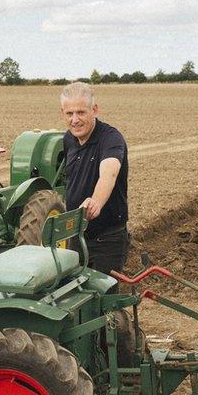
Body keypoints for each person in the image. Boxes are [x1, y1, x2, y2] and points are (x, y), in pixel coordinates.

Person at [59, 82, 129, 275]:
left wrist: (96, 201)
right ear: (62, 113)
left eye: (81, 112)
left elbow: (110, 172)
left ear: (94, 110)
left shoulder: (111, 139)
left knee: (102, 300)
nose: (75, 120)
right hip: (76, 236)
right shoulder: (68, 139)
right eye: (69, 114)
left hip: (106, 240)